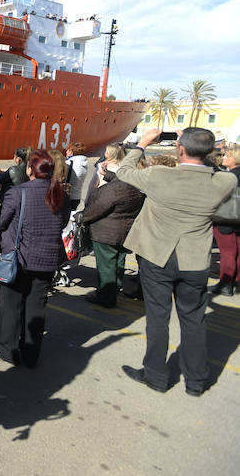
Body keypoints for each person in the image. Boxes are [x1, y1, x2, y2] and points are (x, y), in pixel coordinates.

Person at [118, 128, 236, 396]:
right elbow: (211, 170)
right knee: (194, 320)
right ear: (210, 152)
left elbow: (124, 171)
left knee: (157, 318)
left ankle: (156, 375)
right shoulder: (224, 182)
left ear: (179, 149)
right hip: (194, 260)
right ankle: (195, 382)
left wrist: (143, 143)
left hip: (157, 256)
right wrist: (197, 147)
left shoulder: (159, 176)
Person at [0, 149, 70, 368]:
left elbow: (1, 222)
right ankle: (31, 353)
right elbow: (61, 224)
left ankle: (8, 350)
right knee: (36, 307)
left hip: (19, 258)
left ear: (29, 169)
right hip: (46, 260)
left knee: (11, 307)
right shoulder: (60, 195)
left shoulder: (18, 192)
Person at [81, 145, 145, 307]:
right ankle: (114, 289)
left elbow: (95, 209)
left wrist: (82, 218)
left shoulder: (112, 190)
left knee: (106, 266)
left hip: (106, 234)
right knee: (119, 263)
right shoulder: (136, 186)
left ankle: (106, 297)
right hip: (126, 231)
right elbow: (121, 180)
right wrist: (106, 174)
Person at [211, 146, 240, 296]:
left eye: (227, 156)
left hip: (226, 218)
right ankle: (237, 282)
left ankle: (226, 284)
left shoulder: (228, 177)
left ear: (235, 158)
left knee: (228, 253)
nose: (224, 158)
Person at [65, 142, 88, 210]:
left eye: (68, 150)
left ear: (72, 152)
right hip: (77, 196)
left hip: (68, 196)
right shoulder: (84, 163)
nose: (66, 152)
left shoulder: (70, 163)